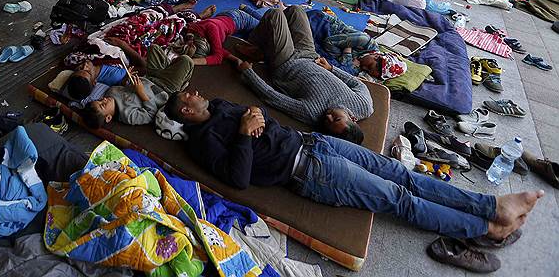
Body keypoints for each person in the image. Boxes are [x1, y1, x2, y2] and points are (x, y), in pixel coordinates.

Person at [165, 89, 544, 241]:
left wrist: (255, 114)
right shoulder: (202, 142)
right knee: (398, 198)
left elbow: (253, 111)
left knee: (401, 172)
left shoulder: (218, 103)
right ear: (186, 112)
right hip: (309, 172)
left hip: (314, 142)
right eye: (190, 96)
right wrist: (245, 134)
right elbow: (238, 179)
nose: (197, 92)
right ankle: (485, 227)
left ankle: (490, 205)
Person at [229, 5, 373, 142]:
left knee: (275, 15)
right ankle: (266, 46)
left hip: (285, 63)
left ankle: (255, 46)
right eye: (336, 118)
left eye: (328, 123)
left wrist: (248, 73)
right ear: (353, 119)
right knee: (295, 11)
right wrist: (331, 68)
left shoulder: (311, 113)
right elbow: (357, 83)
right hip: (310, 56)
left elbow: (272, 97)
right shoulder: (364, 106)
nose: (329, 116)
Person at [80, 39, 194, 128]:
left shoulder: (110, 93)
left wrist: (127, 77)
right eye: (103, 105)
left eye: (100, 100)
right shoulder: (128, 116)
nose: (104, 99)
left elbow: (123, 85)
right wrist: (141, 93)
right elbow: (150, 114)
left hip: (150, 76)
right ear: (108, 117)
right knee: (186, 60)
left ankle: (168, 68)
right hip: (164, 87)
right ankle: (178, 79)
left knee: (153, 48)